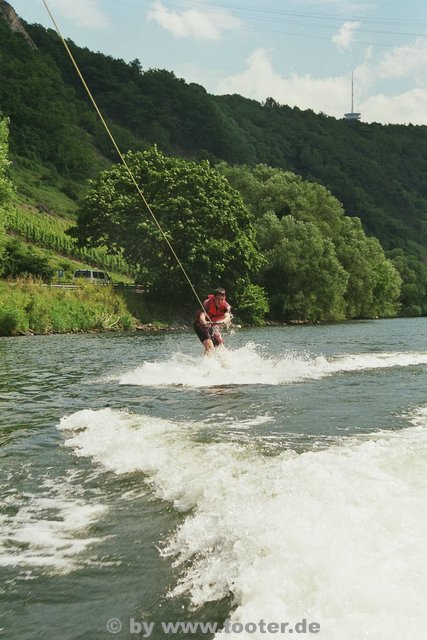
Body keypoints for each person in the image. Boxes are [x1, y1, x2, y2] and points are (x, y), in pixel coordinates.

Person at [194, 287, 232, 355]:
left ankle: (217, 363)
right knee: (209, 345)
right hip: (200, 325)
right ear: (214, 297)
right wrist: (205, 322)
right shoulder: (208, 303)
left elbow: (227, 317)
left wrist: (222, 322)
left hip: (212, 326)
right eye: (218, 299)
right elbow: (202, 316)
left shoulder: (226, 307)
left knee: (220, 346)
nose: (220, 301)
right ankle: (207, 364)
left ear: (225, 298)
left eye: (222, 299)